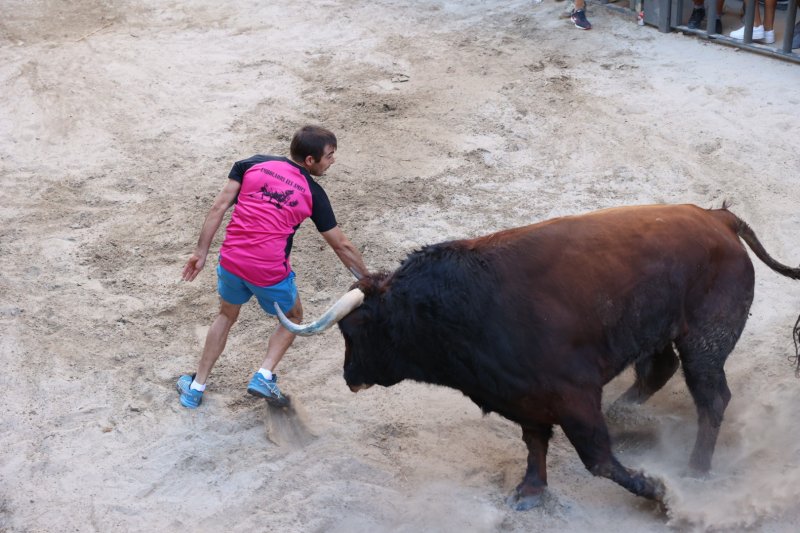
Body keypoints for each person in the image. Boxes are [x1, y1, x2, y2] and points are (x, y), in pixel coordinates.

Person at [176, 125, 369, 409]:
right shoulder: (313, 194)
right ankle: (264, 374)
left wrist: (200, 252)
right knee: (293, 315)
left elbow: (218, 207)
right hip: (268, 270)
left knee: (226, 316)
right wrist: (369, 280)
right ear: (309, 161)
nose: (333, 161)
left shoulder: (250, 164)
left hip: (231, 260)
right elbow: (341, 245)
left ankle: (195, 388)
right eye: (329, 156)